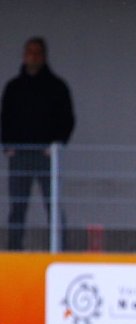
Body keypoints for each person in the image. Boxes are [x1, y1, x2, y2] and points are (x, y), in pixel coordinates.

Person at [1, 37, 74, 250]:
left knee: (52, 205)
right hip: (20, 155)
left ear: (43, 56)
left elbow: (67, 119)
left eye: (37, 52)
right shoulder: (13, 87)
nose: (32, 56)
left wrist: (57, 144)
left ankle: (59, 250)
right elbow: (5, 118)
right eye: (29, 52)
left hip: (46, 156)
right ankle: (14, 251)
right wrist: (7, 146)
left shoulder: (57, 87)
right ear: (24, 56)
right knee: (17, 207)